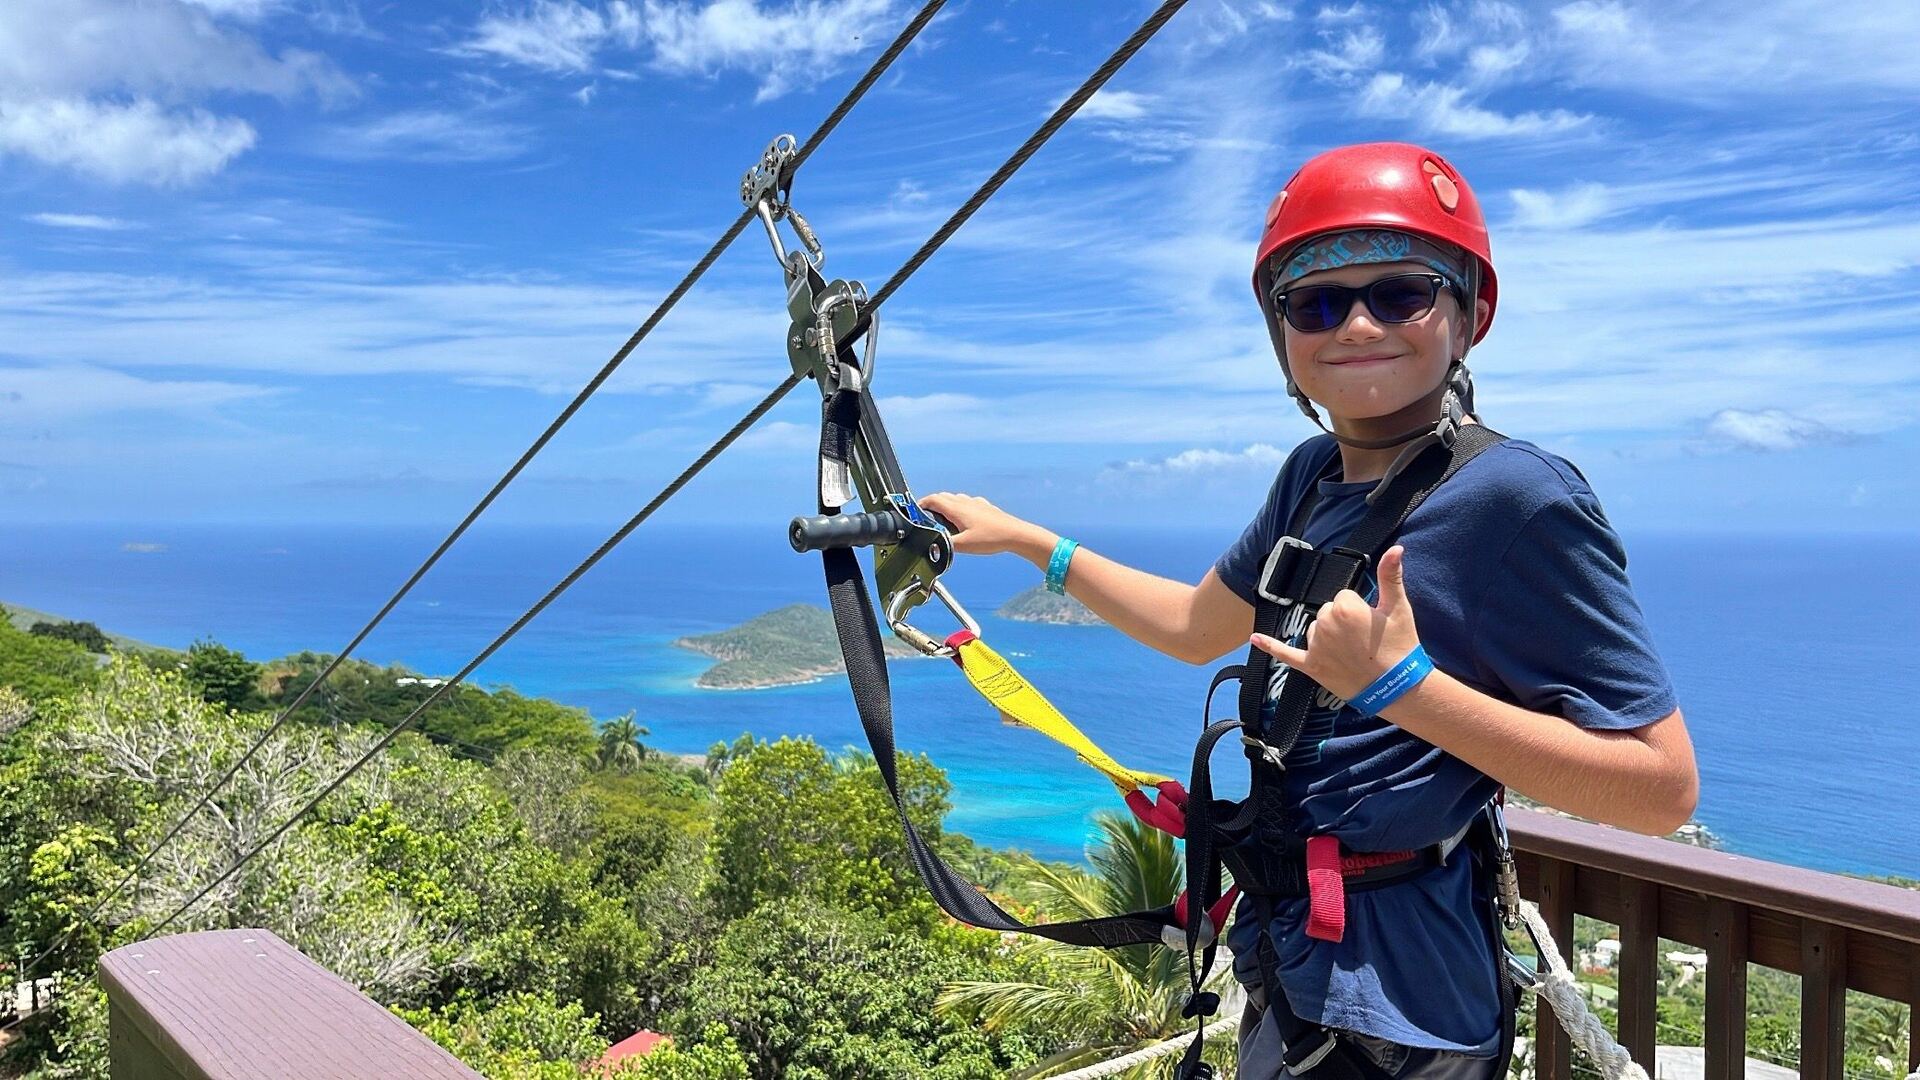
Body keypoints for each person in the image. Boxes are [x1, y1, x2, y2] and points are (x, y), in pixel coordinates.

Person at [919, 142, 1698, 1080]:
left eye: (1400, 293)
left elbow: (1661, 790)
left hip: (1401, 1013)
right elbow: (1195, 627)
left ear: (1468, 311)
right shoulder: (1312, 477)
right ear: (1282, 331)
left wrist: (1402, 689)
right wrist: (1024, 539)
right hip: (1294, 965)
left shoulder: (1518, 498)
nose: (1358, 325)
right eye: (1318, 302)